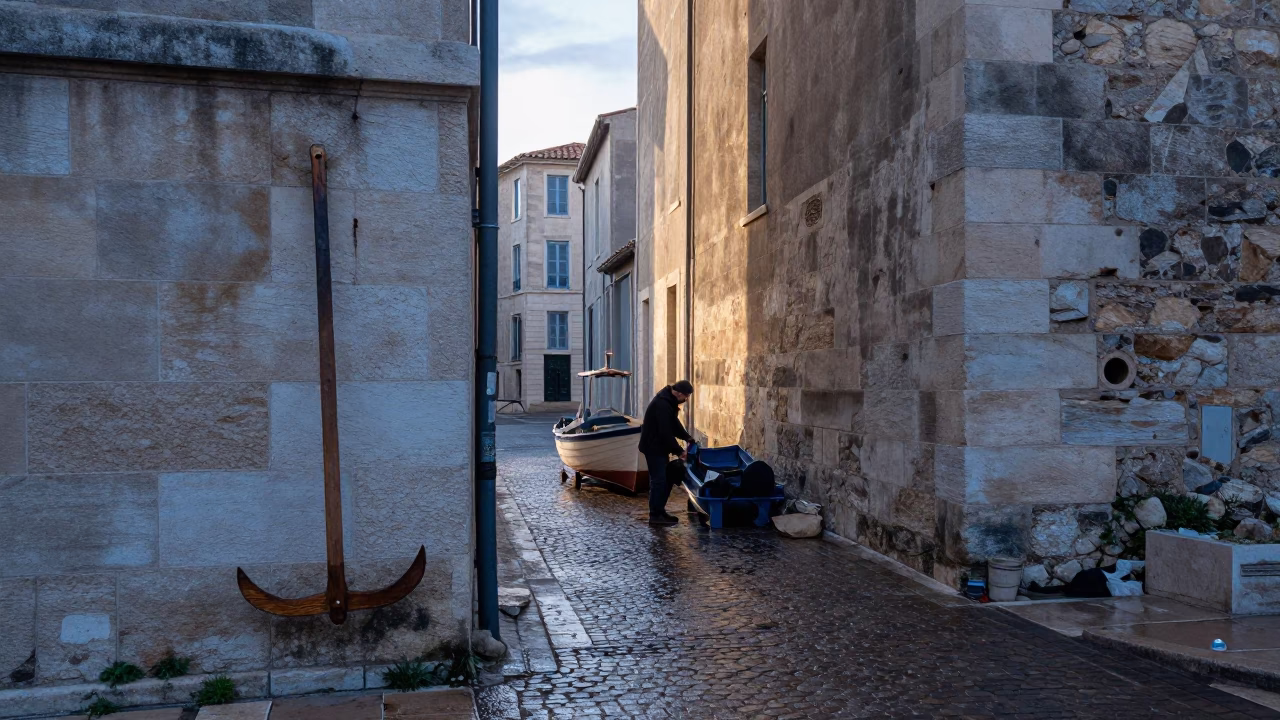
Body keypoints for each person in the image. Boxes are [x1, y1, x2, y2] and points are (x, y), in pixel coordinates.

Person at [638, 380, 694, 526]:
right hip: (653, 447)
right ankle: (655, 515)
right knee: (659, 481)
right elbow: (665, 432)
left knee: (667, 478)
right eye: (686, 396)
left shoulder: (668, 401)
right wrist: (679, 451)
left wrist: (687, 437)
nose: (685, 400)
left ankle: (660, 511)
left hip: (659, 447)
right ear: (679, 393)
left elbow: (674, 424)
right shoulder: (662, 405)